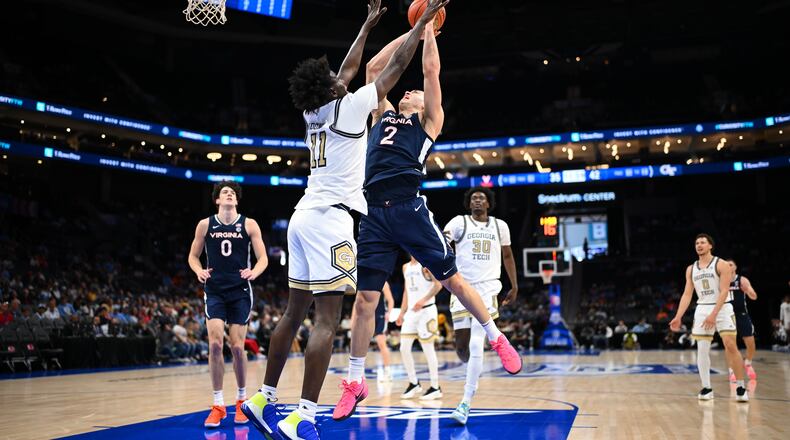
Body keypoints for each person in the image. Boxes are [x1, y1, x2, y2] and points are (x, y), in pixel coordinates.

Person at [241, 1, 436, 438]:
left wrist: (366, 25)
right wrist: (421, 25)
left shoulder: (313, 112)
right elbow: (393, 67)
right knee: (328, 320)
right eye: (333, 81)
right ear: (330, 90)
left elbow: (346, 69)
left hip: (301, 217)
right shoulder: (349, 110)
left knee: (293, 315)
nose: (338, 79)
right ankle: (303, 416)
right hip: (332, 221)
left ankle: (263, 397)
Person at [333, 5, 522, 422]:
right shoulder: (381, 114)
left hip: (409, 207)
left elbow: (431, 74)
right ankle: (355, 381)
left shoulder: (429, 122)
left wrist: (430, 31)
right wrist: (413, 30)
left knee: (451, 279)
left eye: (412, 93)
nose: (407, 93)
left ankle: (495, 335)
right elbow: (374, 69)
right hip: (373, 214)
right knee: (364, 301)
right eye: (406, 91)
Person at [188, 181, 269, 428]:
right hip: (214, 290)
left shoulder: (249, 224)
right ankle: (217, 404)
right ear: (217, 200)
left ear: (236, 200)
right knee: (214, 344)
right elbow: (192, 256)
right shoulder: (205, 224)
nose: (229, 194)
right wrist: (198, 270)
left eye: (232, 192)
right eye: (225, 192)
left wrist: (254, 272)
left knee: (236, 347)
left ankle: (242, 401)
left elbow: (263, 257)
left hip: (240, 291)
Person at [442, 187, 518, 425]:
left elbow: (508, 256)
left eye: (481, 198)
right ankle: (473, 365)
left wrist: (514, 285)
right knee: (462, 348)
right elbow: (442, 241)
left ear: (488, 203)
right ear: (468, 203)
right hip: (462, 287)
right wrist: (437, 259)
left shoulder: (500, 226)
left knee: (476, 344)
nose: (477, 200)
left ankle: (465, 402)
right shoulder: (458, 222)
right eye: (473, 197)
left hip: (487, 288)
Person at [669, 234, 748, 402]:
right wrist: (678, 316)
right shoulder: (691, 269)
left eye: (703, 242)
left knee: (730, 345)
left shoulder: (722, 264)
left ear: (710, 245)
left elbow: (725, 291)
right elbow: (687, 294)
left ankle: (741, 386)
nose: (699, 245)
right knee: (702, 349)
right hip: (702, 308)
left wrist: (714, 314)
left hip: (723, 307)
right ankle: (706, 388)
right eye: (697, 242)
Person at [396, 256, 443, 400]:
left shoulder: (427, 263)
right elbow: (406, 291)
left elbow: (438, 285)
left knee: (428, 349)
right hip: (411, 312)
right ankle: (414, 383)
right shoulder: (405, 267)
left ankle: (435, 387)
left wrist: (423, 301)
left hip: (427, 311)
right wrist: (402, 312)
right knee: (403, 348)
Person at [726, 260, 759, 382]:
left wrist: (748, 291)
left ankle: (748, 363)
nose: (728, 266)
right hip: (727, 315)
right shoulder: (721, 280)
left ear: (735, 266)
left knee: (750, 342)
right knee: (729, 345)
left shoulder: (742, 280)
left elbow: (754, 296)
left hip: (741, 314)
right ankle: (731, 370)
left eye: (731, 264)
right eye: (726, 264)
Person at [373, 282, 395, 382]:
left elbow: (390, 300)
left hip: (380, 316)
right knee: (361, 344)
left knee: (381, 343)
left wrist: (389, 313)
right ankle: (359, 374)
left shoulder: (383, 283)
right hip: (368, 316)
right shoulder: (364, 278)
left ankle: (387, 372)